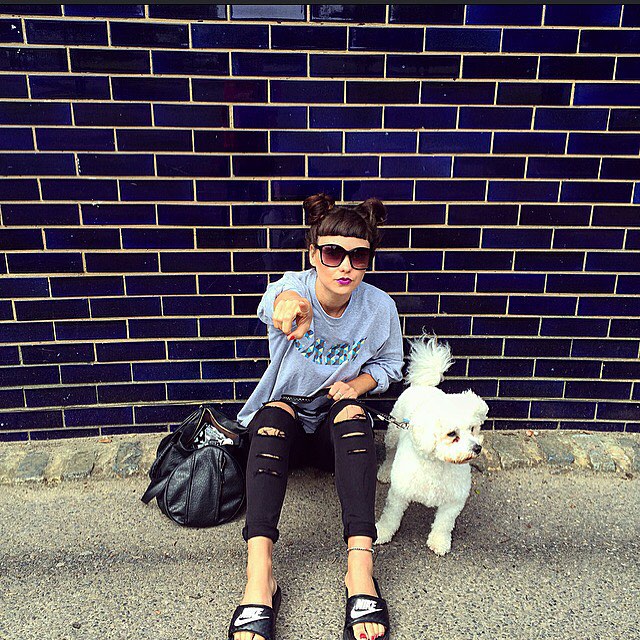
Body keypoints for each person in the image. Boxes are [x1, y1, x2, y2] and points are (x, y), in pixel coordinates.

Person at [228, 192, 404, 640]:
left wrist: (357, 385)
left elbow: (390, 365)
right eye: (332, 253)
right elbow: (276, 302)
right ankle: (260, 578)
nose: (345, 266)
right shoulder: (295, 288)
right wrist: (292, 304)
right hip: (284, 428)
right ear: (313, 253)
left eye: (358, 256)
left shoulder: (380, 307)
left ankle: (360, 572)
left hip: (332, 432)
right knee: (273, 417)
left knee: (354, 416)